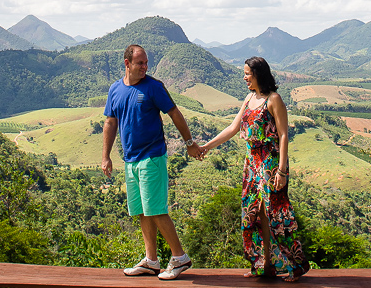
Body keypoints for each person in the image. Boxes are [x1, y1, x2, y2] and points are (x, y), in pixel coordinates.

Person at [199, 56, 308, 281]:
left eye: (247, 73)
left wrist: (282, 171)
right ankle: (263, 264)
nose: (245, 77)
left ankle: (293, 265)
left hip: (270, 163)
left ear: (258, 74)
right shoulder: (250, 98)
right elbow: (233, 128)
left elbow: (284, 135)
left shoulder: (274, 99)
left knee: (275, 214)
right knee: (254, 215)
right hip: (252, 164)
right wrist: (207, 147)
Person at [102, 44, 203, 280]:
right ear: (127, 64)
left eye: (146, 63)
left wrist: (190, 144)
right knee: (142, 212)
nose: (145, 67)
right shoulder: (115, 89)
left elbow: (175, 113)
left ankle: (179, 257)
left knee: (156, 210)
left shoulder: (154, 87)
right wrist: (106, 156)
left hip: (152, 157)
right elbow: (110, 123)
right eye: (140, 63)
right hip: (131, 160)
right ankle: (151, 261)